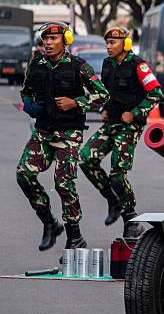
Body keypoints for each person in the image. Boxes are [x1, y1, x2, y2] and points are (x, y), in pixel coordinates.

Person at [16, 22, 109, 253]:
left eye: (53, 38)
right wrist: (29, 105)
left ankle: (75, 236)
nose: (47, 42)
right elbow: (26, 91)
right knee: (24, 174)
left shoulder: (79, 66)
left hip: (69, 134)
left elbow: (102, 95)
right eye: (45, 38)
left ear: (64, 40)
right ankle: (49, 223)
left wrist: (76, 103)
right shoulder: (36, 64)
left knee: (63, 183)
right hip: (43, 132)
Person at [79, 27, 163, 238]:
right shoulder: (108, 64)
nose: (108, 47)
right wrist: (103, 109)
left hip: (129, 126)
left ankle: (130, 219)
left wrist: (134, 113)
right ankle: (112, 200)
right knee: (86, 158)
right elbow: (106, 92)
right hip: (111, 123)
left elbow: (156, 93)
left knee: (118, 175)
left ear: (125, 44)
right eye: (107, 43)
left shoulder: (138, 66)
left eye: (113, 43)